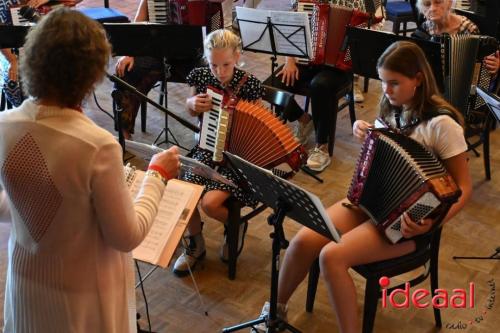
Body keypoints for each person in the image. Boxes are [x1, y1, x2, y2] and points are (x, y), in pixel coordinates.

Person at [254, 41, 472, 333]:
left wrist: (430, 225)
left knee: (331, 256)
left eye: (394, 83)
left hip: (407, 225)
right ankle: (274, 314)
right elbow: (380, 156)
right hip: (370, 202)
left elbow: (464, 188)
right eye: (383, 82)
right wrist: (366, 133)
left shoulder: (443, 125)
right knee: (304, 240)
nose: (386, 90)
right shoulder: (392, 109)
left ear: (418, 79)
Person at [0, 8, 180, 332]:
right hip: (81, 301)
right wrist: (157, 175)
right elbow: (126, 236)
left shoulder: (4, 125)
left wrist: (35, 200)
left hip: (26, 286)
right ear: (90, 71)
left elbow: (17, 199)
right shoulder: (96, 146)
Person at [173, 28, 264, 276]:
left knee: (210, 204)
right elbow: (192, 110)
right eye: (214, 65)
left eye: (225, 64)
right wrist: (191, 104)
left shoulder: (250, 85)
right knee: (184, 192)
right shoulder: (201, 77)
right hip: (206, 149)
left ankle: (236, 226)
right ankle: (195, 244)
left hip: (236, 159)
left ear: (237, 57)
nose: (220, 72)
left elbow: (257, 128)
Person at [264, 55, 352, 172]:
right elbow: (292, 39)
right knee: (272, 85)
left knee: (320, 85)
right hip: (307, 64)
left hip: (338, 69)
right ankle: (304, 120)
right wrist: (289, 61)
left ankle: (322, 147)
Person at [416, 0, 499, 78]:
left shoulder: (468, 29)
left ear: (449, 3)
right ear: (421, 10)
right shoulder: (424, 29)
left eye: (438, 2)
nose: (432, 8)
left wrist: (492, 66)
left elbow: (482, 67)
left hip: (462, 84)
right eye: (427, 4)